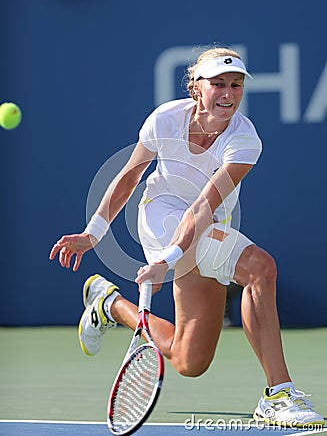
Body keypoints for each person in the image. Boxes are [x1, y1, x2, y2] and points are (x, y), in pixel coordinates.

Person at [49, 46, 324, 427]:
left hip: (202, 225)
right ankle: (278, 394)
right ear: (196, 88)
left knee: (189, 360)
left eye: (236, 85)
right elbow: (130, 176)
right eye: (218, 85)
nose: (228, 94)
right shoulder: (165, 120)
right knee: (260, 268)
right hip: (159, 218)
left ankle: (108, 303)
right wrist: (93, 233)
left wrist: (170, 259)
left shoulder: (245, 141)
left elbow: (203, 206)